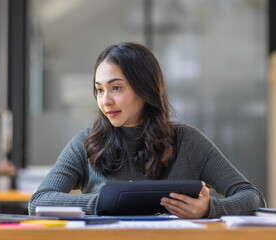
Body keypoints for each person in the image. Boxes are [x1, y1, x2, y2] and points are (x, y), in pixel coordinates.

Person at [28, 42, 266, 218]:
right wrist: (106, 202)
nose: (105, 100)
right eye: (99, 90)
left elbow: (251, 196)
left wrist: (209, 208)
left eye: (116, 88)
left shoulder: (187, 141)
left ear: (145, 89)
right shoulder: (86, 142)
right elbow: (39, 200)